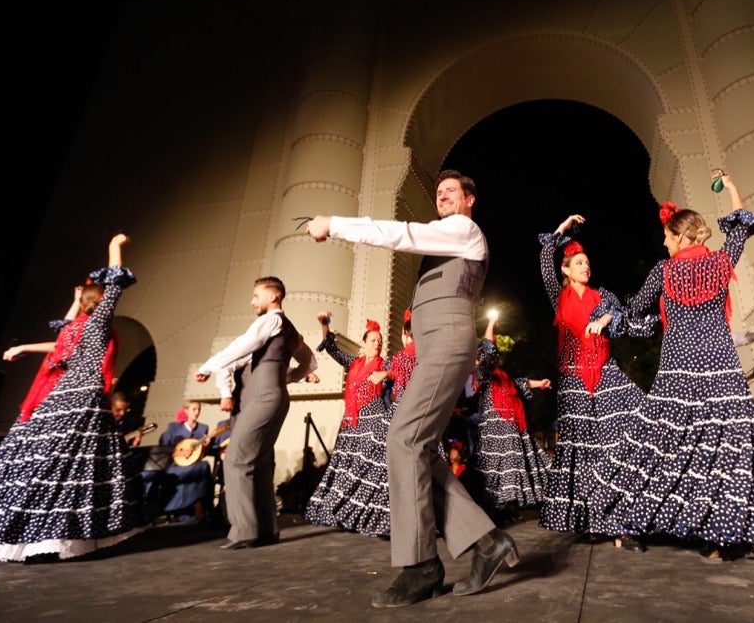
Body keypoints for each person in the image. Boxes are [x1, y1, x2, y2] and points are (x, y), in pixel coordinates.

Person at [304, 169, 517, 608]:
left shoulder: (464, 230)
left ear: (469, 200)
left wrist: (336, 223)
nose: (442, 198)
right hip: (432, 348)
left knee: (404, 439)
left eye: (451, 192)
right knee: (412, 445)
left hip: (449, 342)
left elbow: (400, 233)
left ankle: (421, 566)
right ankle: (485, 543)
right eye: (438, 193)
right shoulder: (446, 242)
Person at [585, 172, 754, 561]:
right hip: (720, 367)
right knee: (729, 445)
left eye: (668, 236)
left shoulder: (663, 272)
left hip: (679, 368)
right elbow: (739, 226)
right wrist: (733, 187)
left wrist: (607, 317)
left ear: (681, 236)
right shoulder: (721, 261)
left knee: (673, 448)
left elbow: (632, 310)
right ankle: (746, 532)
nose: (664, 242)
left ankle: (673, 524)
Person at [0, 233, 149, 562]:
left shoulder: (72, 329)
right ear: (100, 304)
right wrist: (114, 246)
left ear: (82, 304)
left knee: (40, 460)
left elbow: (63, 333)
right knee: (73, 465)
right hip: (83, 396)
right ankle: (55, 538)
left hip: (59, 396)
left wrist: (23, 346)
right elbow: (114, 282)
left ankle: (29, 536)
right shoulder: (96, 323)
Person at [536, 215, 647, 544]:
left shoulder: (603, 296)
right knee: (583, 451)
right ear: (566, 270)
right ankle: (594, 520)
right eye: (578, 262)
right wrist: (563, 227)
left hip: (606, 373)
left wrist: (607, 318)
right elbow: (545, 258)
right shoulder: (559, 297)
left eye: (587, 262)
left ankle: (625, 522)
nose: (586, 266)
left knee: (619, 441)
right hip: (573, 379)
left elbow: (620, 313)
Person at [194, 276, 319, 549]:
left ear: (273, 296)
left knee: (236, 459)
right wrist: (286, 378)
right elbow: (310, 363)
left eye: (255, 296)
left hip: (263, 397)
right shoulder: (291, 330)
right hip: (273, 396)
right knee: (260, 464)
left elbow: (244, 345)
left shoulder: (271, 320)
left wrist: (208, 366)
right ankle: (266, 529)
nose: (252, 302)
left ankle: (244, 530)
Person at [304, 313, 391, 536]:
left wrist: (386, 373)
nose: (377, 344)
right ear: (364, 343)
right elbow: (332, 350)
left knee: (368, 467)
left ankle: (365, 515)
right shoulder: (354, 363)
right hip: (352, 423)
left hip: (374, 421)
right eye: (373, 340)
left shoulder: (385, 365)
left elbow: (403, 371)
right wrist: (325, 325)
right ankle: (342, 511)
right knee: (347, 467)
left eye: (379, 341)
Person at [470, 313, 551, 525]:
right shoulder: (482, 372)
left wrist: (539, 383)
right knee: (495, 467)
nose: (494, 356)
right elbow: (488, 349)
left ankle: (508, 508)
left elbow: (520, 383)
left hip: (511, 426)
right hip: (495, 429)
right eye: (490, 354)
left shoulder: (502, 375)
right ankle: (494, 509)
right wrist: (490, 322)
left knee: (516, 464)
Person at [4, 283, 119, 422]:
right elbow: (64, 331)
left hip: (68, 385)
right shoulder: (90, 325)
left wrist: (22, 347)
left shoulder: (92, 326)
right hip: (67, 384)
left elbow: (61, 344)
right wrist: (77, 301)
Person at [143, 401, 223, 523]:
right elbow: (164, 449)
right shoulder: (174, 428)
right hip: (175, 465)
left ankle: (202, 508)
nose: (197, 412)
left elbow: (202, 454)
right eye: (194, 409)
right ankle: (178, 509)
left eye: (199, 409)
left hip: (194, 464)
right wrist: (179, 453)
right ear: (186, 410)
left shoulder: (203, 428)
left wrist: (206, 446)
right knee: (175, 473)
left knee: (203, 467)